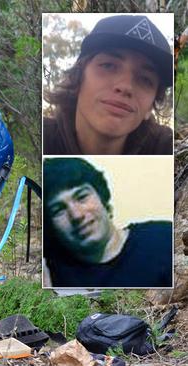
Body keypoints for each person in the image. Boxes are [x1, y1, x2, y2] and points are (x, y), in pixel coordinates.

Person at [44, 15, 173, 155]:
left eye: (145, 79)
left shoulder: (165, 149)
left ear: (150, 106)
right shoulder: (41, 140)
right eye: (108, 66)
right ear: (78, 77)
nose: (125, 87)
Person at [43, 158, 172, 287]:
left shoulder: (165, 237)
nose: (76, 215)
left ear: (102, 199)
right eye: (58, 210)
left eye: (82, 197)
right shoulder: (50, 273)